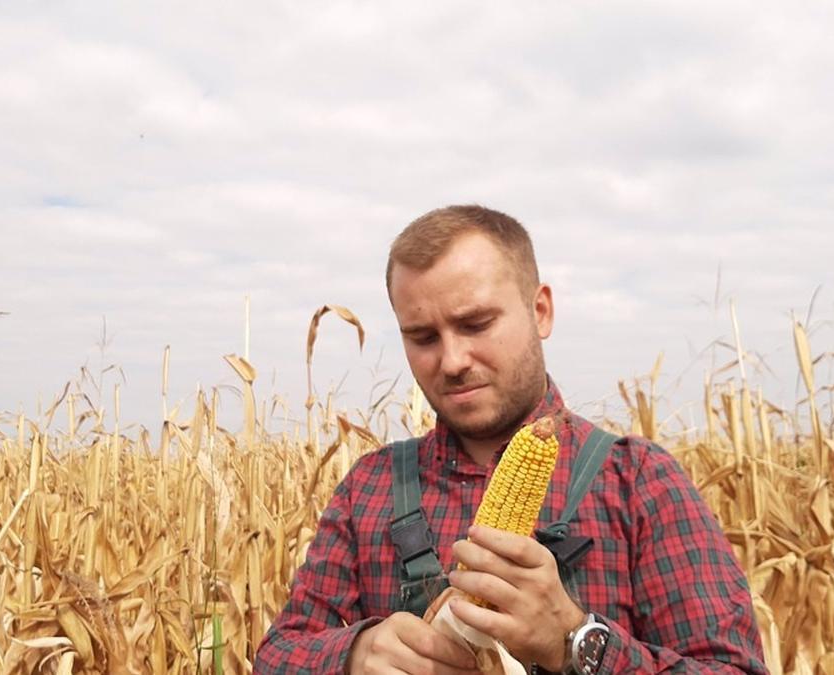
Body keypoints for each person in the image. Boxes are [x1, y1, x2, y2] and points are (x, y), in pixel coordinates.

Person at [255, 205, 766, 673]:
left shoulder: (639, 482)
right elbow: (278, 656)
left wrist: (577, 641)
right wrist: (355, 655)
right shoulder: (371, 487)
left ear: (540, 311)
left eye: (476, 324)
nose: (452, 361)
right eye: (423, 337)